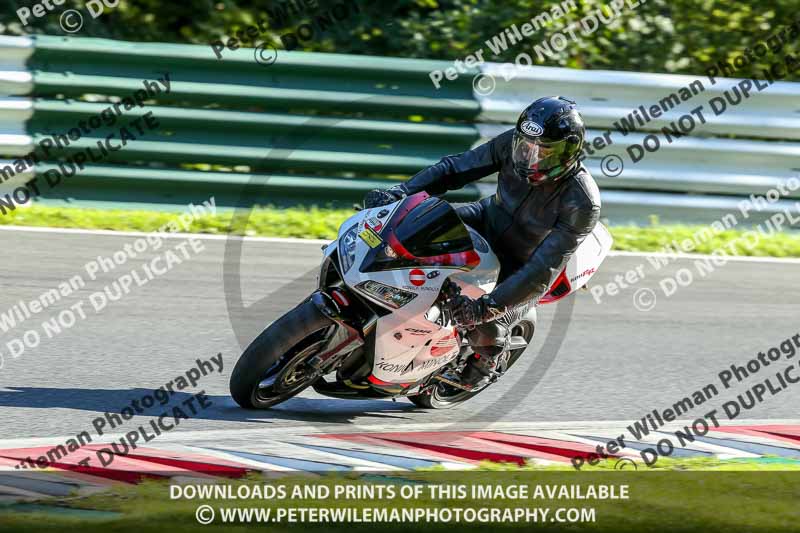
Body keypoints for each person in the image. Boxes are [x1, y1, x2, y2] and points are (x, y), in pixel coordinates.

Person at [364, 96, 601, 388]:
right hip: (488, 218)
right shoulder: (509, 145)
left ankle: (485, 365)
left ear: (570, 151)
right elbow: (454, 169)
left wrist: (487, 307)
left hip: (523, 262)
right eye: (526, 147)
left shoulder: (582, 201)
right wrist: (401, 191)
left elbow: (543, 269)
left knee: (487, 328)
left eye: (545, 153)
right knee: (410, 228)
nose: (532, 159)